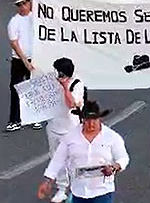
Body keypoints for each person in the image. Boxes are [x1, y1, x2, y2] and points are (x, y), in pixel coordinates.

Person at [38, 101, 129, 203]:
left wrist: (114, 168)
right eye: (87, 120)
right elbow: (58, 160)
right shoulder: (70, 137)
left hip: (103, 192)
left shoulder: (112, 137)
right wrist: (48, 181)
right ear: (82, 120)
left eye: (94, 119)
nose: (91, 124)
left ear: (100, 119)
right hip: (79, 192)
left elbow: (123, 158)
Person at [44, 58, 86, 203]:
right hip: (54, 127)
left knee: (73, 161)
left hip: (70, 129)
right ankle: (61, 189)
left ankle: (76, 191)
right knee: (56, 159)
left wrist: (65, 88)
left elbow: (71, 104)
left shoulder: (77, 84)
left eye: (58, 71)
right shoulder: (53, 83)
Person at [6, 0, 41, 132]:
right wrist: (25, 61)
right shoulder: (14, 22)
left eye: (25, 3)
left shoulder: (37, 18)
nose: (23, 7)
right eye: (19, 4)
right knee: (16, 89)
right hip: (19, 59)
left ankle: (36, 117)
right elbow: (14, 43)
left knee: (35, 89)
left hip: (35, 57)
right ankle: (15, 119)